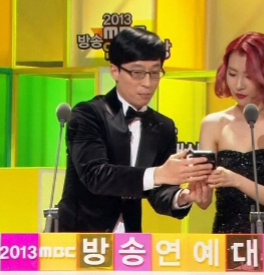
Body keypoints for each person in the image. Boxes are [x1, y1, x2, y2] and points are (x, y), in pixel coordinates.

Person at [57, 27, 213, 232]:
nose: (147, 83)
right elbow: (96, 176)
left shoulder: (163, 126)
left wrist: (182, 196)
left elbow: (158, 190)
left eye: (155, 73)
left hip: (130, 241)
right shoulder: (88, 114)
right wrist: (159, 174)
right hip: (80, 236)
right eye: (137, 73)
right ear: (115, 70)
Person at [191, 32, 264, 233]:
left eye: (249, 76)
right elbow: (204, 201)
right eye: (232, 74)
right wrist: (196, 190)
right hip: (226, 236)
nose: (239, 85)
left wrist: (235, 180)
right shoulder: (213, 124)